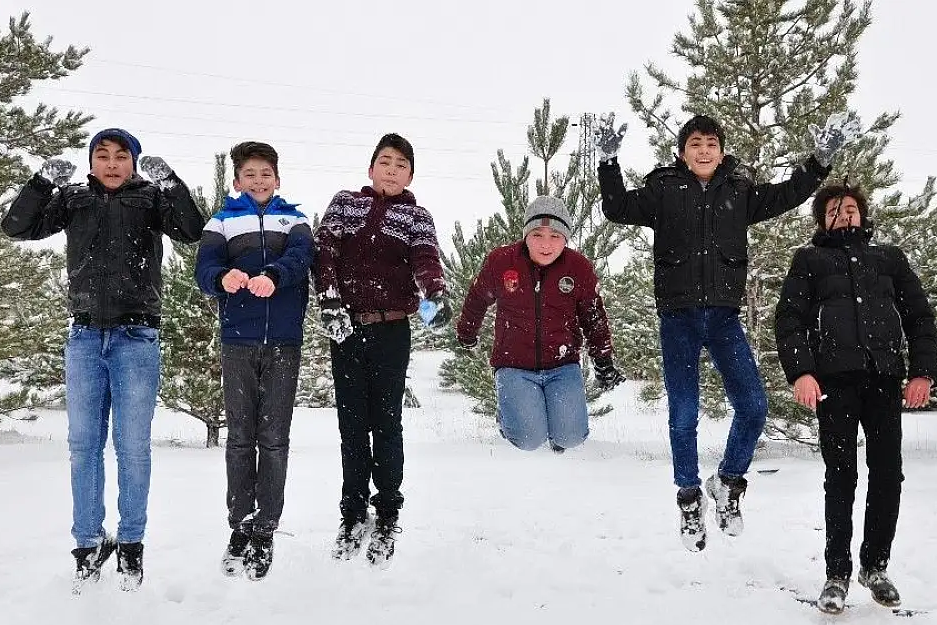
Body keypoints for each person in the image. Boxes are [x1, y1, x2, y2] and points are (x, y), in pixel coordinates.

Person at [595, 111, 861, 551]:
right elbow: (617, 207)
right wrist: (607, 160)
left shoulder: (739, 192)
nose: (704, 151)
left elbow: (790, 193)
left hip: (723, 318)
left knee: (754, 406)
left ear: (721, 152)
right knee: (683, 415)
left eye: (711, 144)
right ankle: (688, 498)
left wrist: (822, 159)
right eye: (695, 143)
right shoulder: (664, 189)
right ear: (682, 152)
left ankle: (728, 483)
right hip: (678, 318)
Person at [1, 128, 205, 592]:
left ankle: (131, 545)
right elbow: (17, 227)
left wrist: (170, 181)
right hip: (85, 336)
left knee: (133, 448)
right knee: (83, 448)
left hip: (137, 336)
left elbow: (192, 231)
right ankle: (89, 544)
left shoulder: (150, 199)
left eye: (121, 157)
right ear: (90, 162)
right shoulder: (73, 199)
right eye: (102, 155)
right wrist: (40, 183)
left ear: (133, 162)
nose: (112, 164)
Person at [774, 183, 937, 614]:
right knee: (841, 476)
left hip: (884, 379)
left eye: (851, 208)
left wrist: (922, 371)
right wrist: (802, 372)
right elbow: (790, 318)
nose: (844, 214)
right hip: (834, 383)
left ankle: (875, 566)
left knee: (888, 475)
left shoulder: (889, 259)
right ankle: (837, 574)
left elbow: (920, 316)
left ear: (863, 215)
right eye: (834, 209)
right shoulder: (809, 260)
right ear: (821, 219)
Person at [315, 133, 451, 567]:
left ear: (411, 174)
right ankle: (352, 511)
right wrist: (331, 301)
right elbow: (325, 252)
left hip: (392, 330)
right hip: (346, 329)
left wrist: (436, 292)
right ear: (371, 167)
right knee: (351, 426)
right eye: (385, 162)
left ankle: (388, 509)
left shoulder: (416, 216)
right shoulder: (344, 204)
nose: (392, 170)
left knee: (386, 424)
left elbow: (426, 259)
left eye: (401, 165)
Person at [194, 141, 314, 581]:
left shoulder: (295, 220)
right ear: (237, 180)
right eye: (250, 174)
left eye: (266, 173)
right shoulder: (222, 222)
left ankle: (265, 530)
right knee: (240, 438)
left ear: (277, 179)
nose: (259, 180)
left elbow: (302, 259)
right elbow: (203, 268)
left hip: (284, 343)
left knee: (275, 440)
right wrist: (222, 278)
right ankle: (239, 527)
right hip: (237, 343)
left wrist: (274, 276)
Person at [455, 196, 624, 453]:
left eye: (555, 235)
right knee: (528, 440)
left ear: (566, 238)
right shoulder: (501, 262)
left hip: (562, 364)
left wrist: (603, 359)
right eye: (537, 234)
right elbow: (477, 298)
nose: (546, 244)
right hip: (513, 364)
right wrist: (467, 332)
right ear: (525, 235)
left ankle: (557, 430)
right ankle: (509, 418)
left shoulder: (578, 268)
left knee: (571, 437)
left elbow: (593, 316)